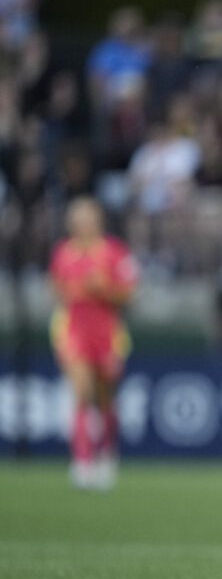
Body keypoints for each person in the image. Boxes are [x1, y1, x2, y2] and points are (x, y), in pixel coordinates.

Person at [49, 197, 138, 490]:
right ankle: (82, 461)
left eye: (88, 217)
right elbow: (56, 290)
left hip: (107, 331)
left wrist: (104, 289)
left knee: (104, 397)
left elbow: (128, 294)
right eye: (78, 218)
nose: (83, 223)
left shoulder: (114, 252)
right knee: (82, 391)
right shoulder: (63, 253)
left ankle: (107, 453)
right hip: (75, 330)